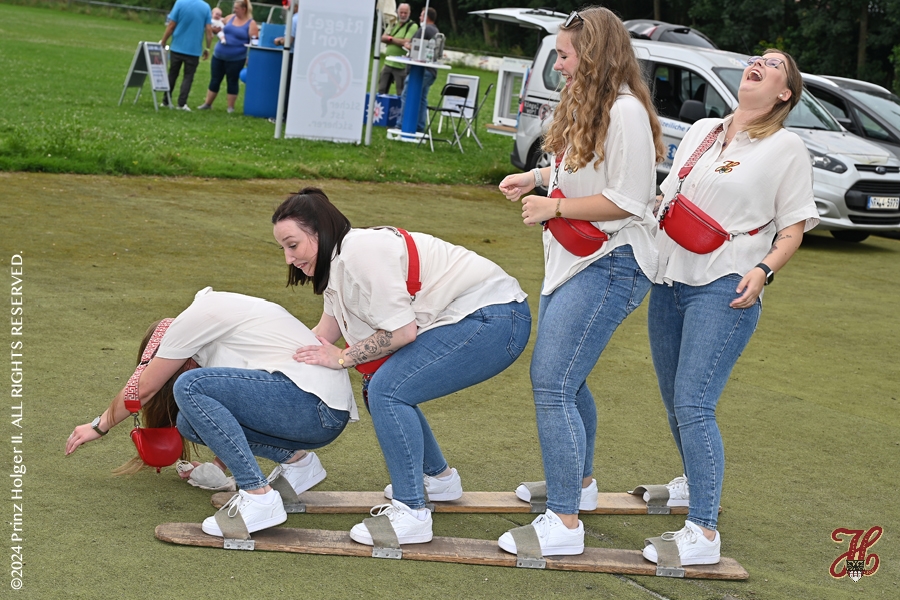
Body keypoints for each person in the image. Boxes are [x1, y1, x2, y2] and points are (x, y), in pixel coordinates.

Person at [272, 187, 531, 546]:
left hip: (494, 317)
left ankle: (411, 514)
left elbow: (401, 333)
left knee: (387, 391)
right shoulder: (339, 261)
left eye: (293, 245)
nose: (289, 258)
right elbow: (324, 334)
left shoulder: (358, 253)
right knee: (382, 385)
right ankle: (438, 479)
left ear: (320, 231)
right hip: (480, 316)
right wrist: (273, 359)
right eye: (283, 249)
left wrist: (342, 358)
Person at [639, 49, 817, 567]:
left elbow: (793, 228)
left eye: (775, 64)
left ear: (784, 93)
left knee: (694, 404)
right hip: (669, 279)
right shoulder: (703, 131)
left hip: (727, 284)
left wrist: (764, 271)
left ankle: (704, 531)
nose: (759, 63)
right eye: (757, 58)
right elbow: (668, 198)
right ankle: (694, 484)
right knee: (675, 402)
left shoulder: (787, 147)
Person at [496, 7, 663, 556]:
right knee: (569, 378)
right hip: (581, 261)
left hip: (611, 262)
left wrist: (554, 206)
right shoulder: (595, 104)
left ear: (593, 55)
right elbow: (582, 169)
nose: (559, 66)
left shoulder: (625, 111)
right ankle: (579, 485)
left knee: (553, 383)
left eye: (565, 56)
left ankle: (565, 522)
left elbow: (628, 200)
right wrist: (536, 177)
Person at [65, 287, 357, 538]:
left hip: (314, 408)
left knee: (190, 386)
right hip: (318, 413)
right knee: (188, 422)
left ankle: (259, 497)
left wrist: (99, 425)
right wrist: (218, 467)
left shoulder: (191, 322)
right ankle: (299, 464)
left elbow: (144, 387)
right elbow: (239, 413)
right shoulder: (218, 331)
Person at [197, 0, 258, 113]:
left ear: (244, 9)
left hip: (236, 58)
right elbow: (218, 26)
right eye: (234, 8)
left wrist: (250, 57)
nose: (234, 10)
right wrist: (215, 30)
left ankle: (230, 107)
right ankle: (207, 103)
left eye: (236, 8)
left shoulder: (251, 24)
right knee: (215, 79)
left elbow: (255, 42)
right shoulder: (230, 17)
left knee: (232, 81)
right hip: (219, 55)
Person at [160, 0, 214, 111]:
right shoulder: (206, 7)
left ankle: (166, 100)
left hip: (177, 46)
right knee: (188, 77)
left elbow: (171, 25)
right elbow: (209, 30)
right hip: (194, 49)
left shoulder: (180, 3)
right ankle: (182, 103)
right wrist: (207, 48)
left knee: (172, 74)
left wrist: (164, 41)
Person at [400, 7, 438, 132]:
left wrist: (407, 45)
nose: (419, 18)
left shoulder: (424, 29)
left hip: (421, 71)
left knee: (407, 94)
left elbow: (413, 45)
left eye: (421, 15)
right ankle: (420, 126)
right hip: (431, 71)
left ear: (426, 17)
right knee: (422, 99)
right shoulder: (435, 30)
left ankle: (401, 123)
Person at [377, 3, 418, 97]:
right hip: (388, 62)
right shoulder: (393, 23)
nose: (403, 15)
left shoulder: (412, 26)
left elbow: (406, 42)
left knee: (401, 93)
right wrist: (398, 40)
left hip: (401, 65)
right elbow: (382, 38)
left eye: (405, 13)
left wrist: (390, 38)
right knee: (381, 90)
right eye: (401, 12)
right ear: (397, 12)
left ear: (409, 13)